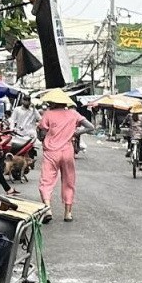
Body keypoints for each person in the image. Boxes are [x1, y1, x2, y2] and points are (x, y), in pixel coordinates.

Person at [37, 89, 93, 222]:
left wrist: (44, 136)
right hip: (67, 151)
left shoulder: (48, 114)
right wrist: (75, 133)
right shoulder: (73, 113)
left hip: (51, 152)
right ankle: (68, 213)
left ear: (54, 102)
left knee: (46, 181)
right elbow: (90, 127)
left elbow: (42, 133)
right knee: (69, 181)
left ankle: (47, 209)